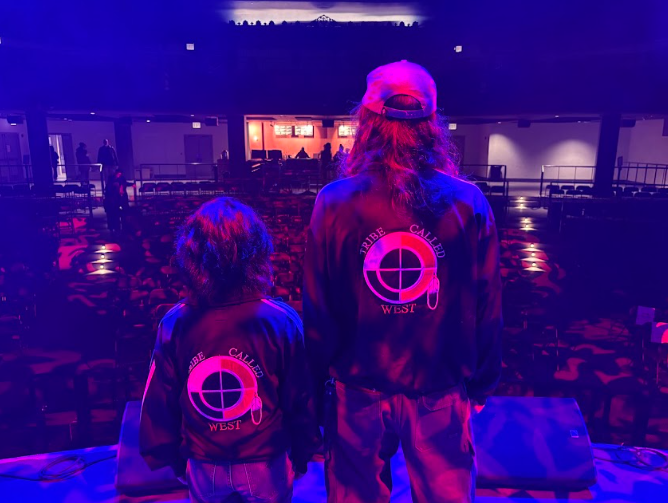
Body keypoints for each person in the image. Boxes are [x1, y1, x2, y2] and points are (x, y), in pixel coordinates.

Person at [304, 60, 502, 503]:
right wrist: (483, 383)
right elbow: (488, 305)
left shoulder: (332, 203)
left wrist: (315, 393)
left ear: (367, 122)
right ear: (433, 125)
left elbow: (317, 310)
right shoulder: (468, 203)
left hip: (356, 393)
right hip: (440, 390)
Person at [140, 197, 321, 503]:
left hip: (203, 461)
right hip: (266, 461)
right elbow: (301, 396)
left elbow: (160, 399)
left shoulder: (175, 323)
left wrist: (171, 457)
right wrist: (304, 451)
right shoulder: (280, 321)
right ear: (257, 252)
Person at [103, 168, 132, 234]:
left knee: (122, 214)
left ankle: (123, 227)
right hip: (113, 201)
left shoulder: (122, 179)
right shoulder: (111, 179)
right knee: (113, 216)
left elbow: (125, 184)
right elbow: (108, 188)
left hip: (119, 200)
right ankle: (114, 228)